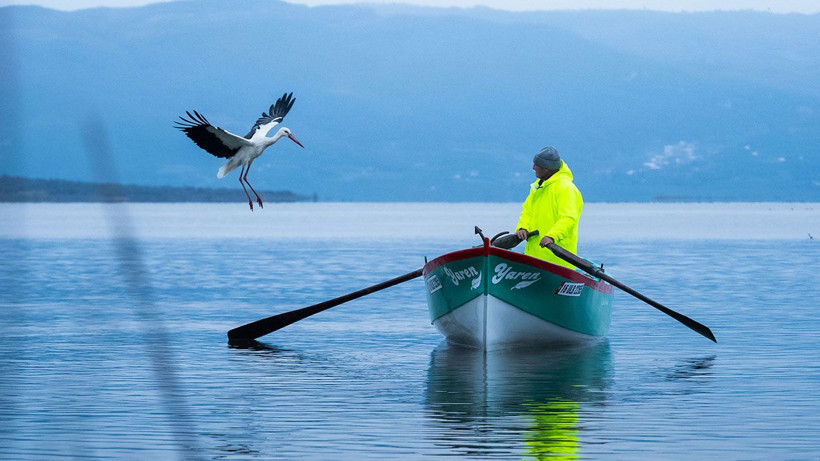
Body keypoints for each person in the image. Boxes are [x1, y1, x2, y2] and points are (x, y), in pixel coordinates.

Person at [515, 146, 583, 269]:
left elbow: (568, 218)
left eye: (536, 165)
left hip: (558, 263)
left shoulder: (565, 188)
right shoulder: (538, 187)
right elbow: (527, 211)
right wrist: (523, 227)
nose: (533, 168)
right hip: (533, 258)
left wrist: (551, 236)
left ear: (545, 168)